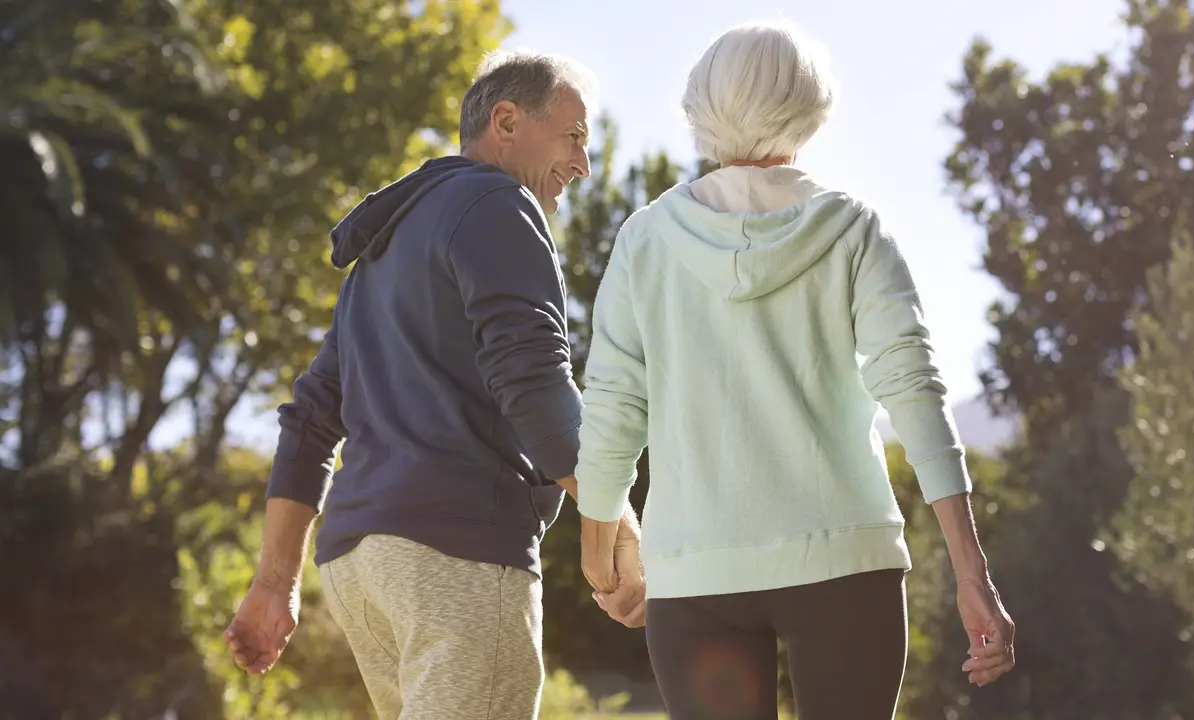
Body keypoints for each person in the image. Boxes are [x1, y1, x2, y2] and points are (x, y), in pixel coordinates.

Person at [574, 21, 1016, 720]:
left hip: (696, 573)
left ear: (701, 105)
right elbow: (913, 388)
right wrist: (972, 572)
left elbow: (613, 407)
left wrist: (602, 553)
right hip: (846, 563)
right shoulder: (852, 228)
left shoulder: (645, 240)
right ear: (810, 105)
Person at [222, 49, 645, 720]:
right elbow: (532, 379)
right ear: (506, 121)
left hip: (360, 565)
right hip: (457, 554)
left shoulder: (381, 253)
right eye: (573, 137)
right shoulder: (500, 202)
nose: (583, 165)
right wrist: (614, 512)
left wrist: (276, 581)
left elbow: (309, 421)